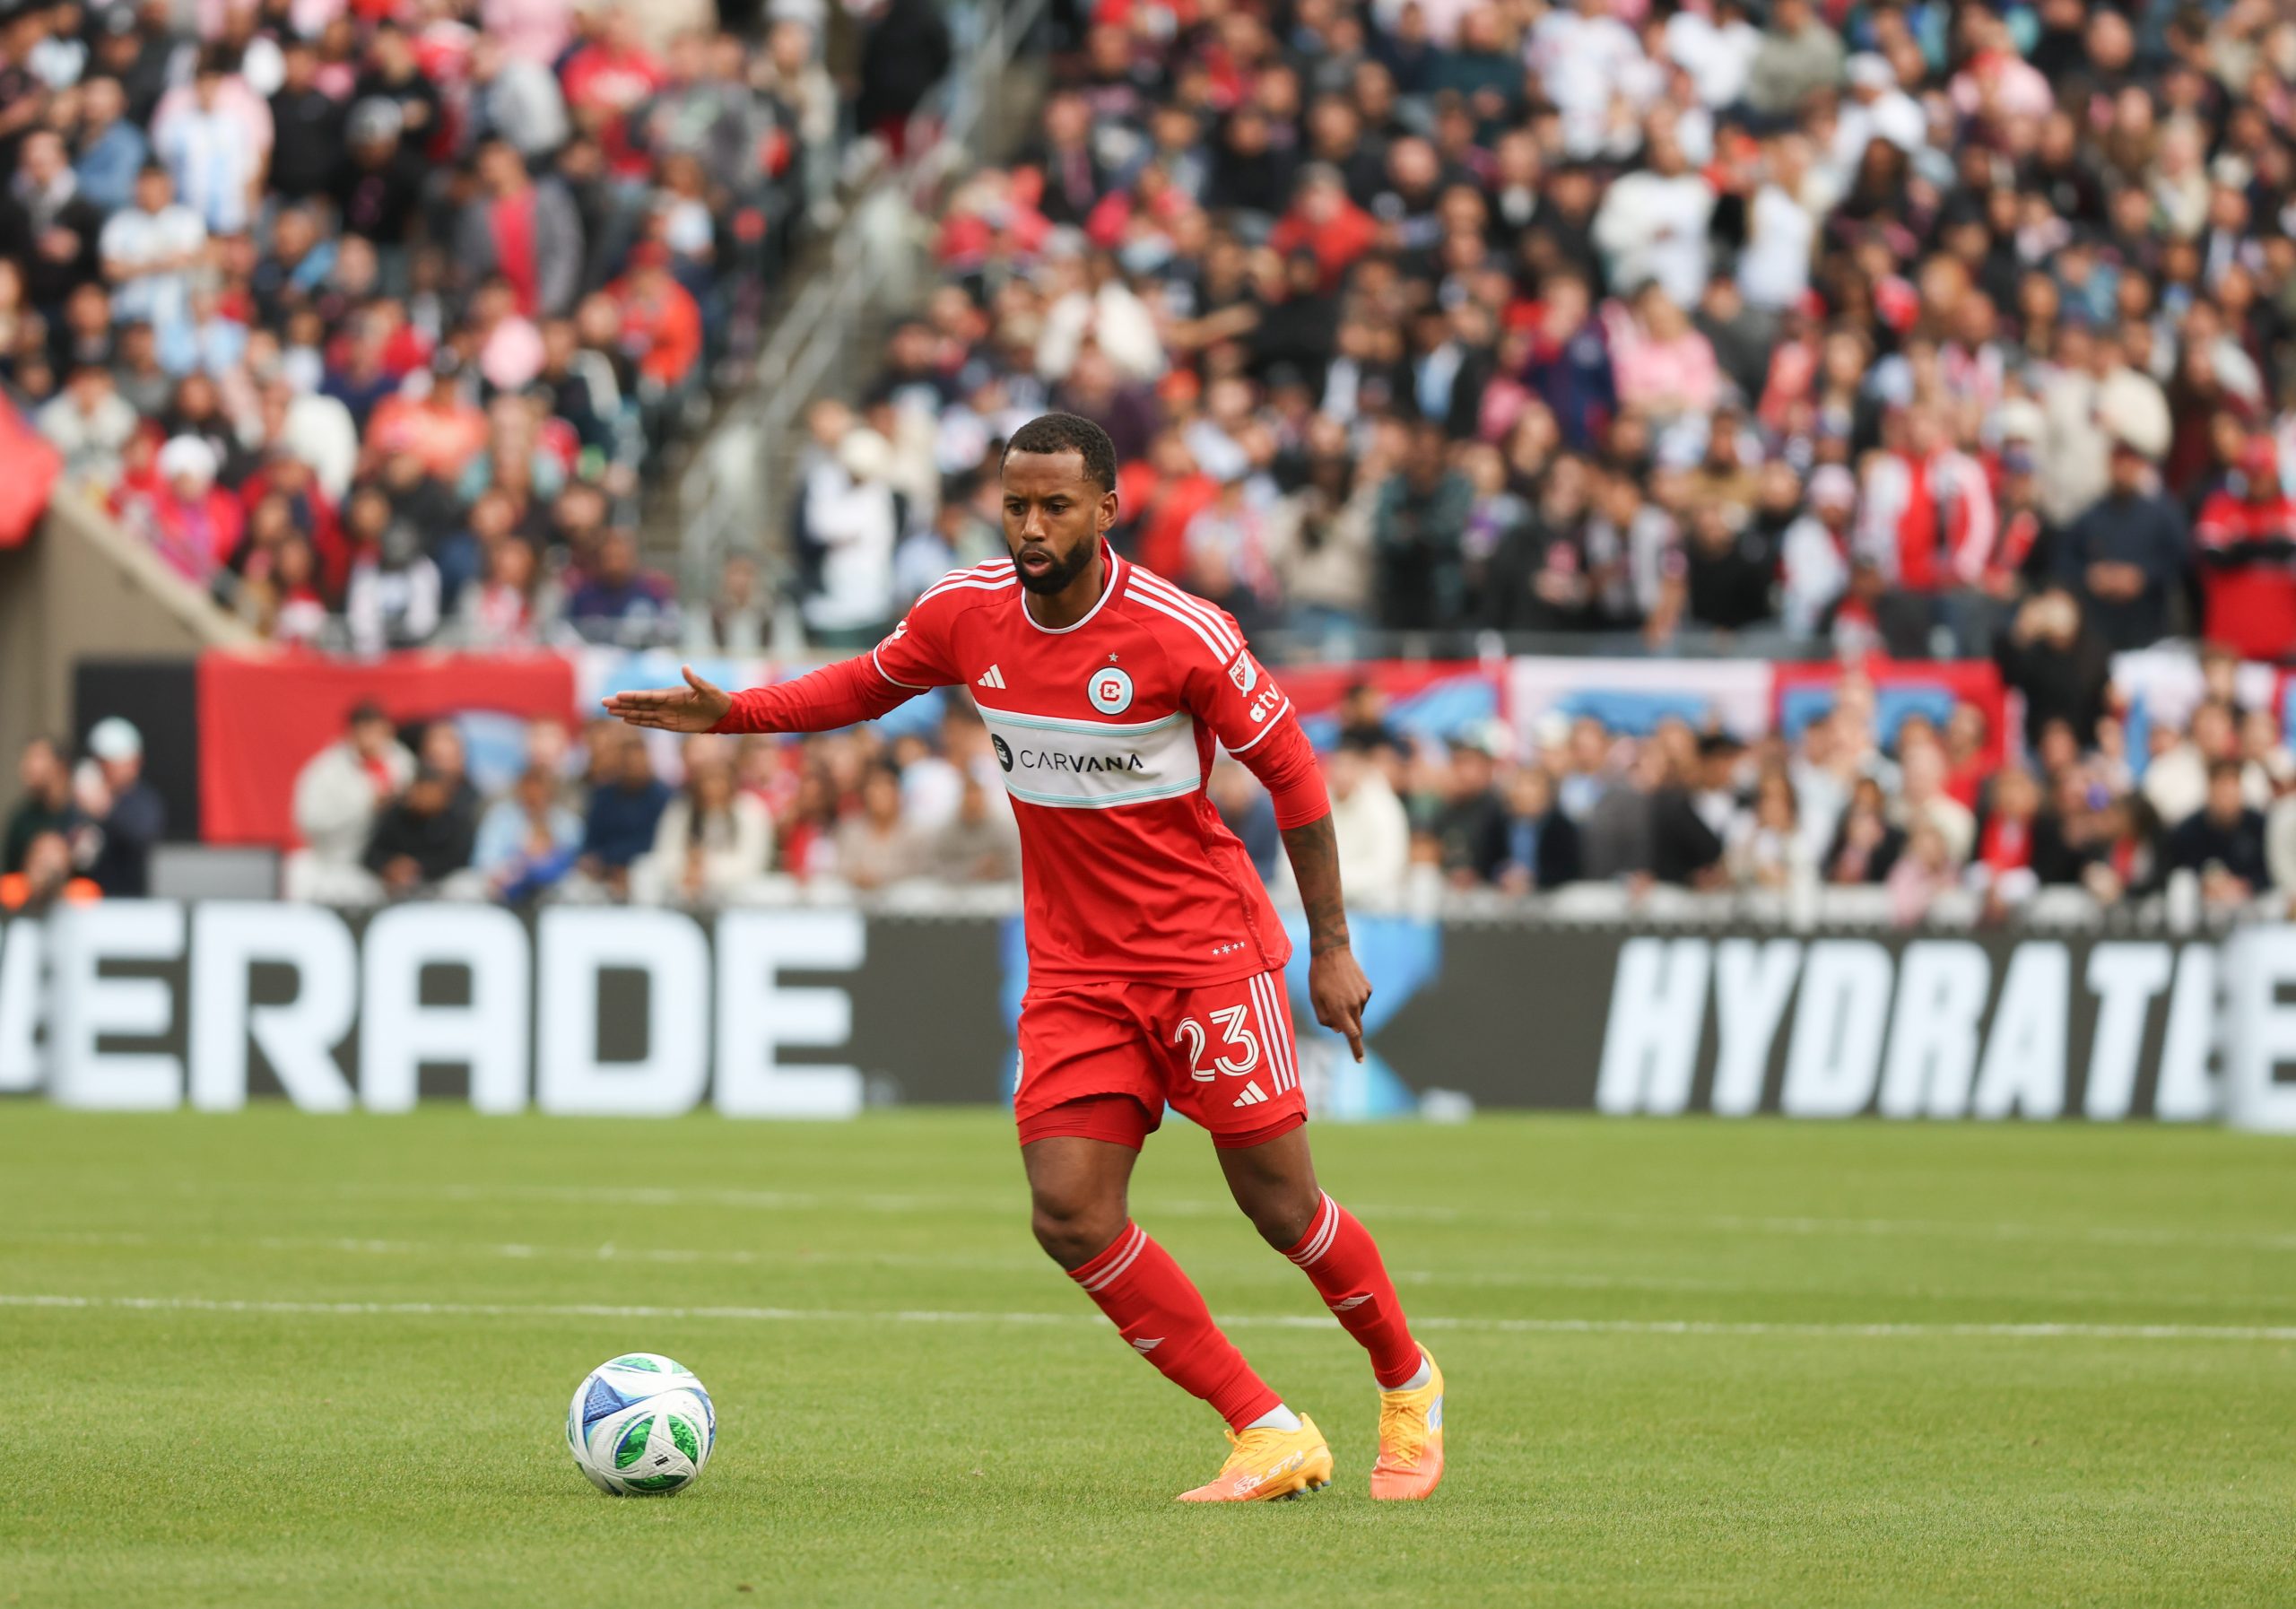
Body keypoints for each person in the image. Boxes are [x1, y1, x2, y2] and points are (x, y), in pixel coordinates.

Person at [604, 413, 1442, 1503]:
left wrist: (1330, 946)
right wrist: (736, 715)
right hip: (1076, 972)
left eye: (1054, 505)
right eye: (1015, 504)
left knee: (1282, 1209)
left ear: (1106, 508)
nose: (1031, 525)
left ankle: (1407, 1381)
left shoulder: (1181, 631)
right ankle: (1265, 1427)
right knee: (1069, 1214)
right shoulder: (965, 610)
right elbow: (867, 682)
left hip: (1205, 954)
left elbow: (1294, 777)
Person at [288, 702, 415, 903]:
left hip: (388, 859)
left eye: (379, 731)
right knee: (299, 872)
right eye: (367, 731)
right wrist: (366, 804)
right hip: (337, 859)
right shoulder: (326, 771)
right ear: (352, 732)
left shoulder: (404, 763)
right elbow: (309, 821)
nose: (373, 739)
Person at [77, 717, 164, 896]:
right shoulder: (81, 797)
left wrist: (105, 809)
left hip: (128, 904)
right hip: (84, 900)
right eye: (104, 762)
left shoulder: (143, 800)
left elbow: (142, 835)